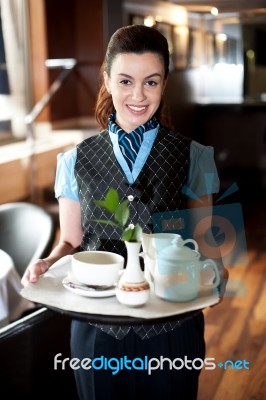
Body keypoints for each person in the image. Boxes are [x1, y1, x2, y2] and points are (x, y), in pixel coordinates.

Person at [22, 24, 228, 400]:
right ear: (106, 80)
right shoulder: (73, 160)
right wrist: (48, 262)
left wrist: (215, 265)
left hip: (171, 326)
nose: (137, 95)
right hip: (96, 327)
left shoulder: (195, 156)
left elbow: (202, 240)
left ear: (164, 82)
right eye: (125, 81)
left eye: (151, 82)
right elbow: (69, 240)